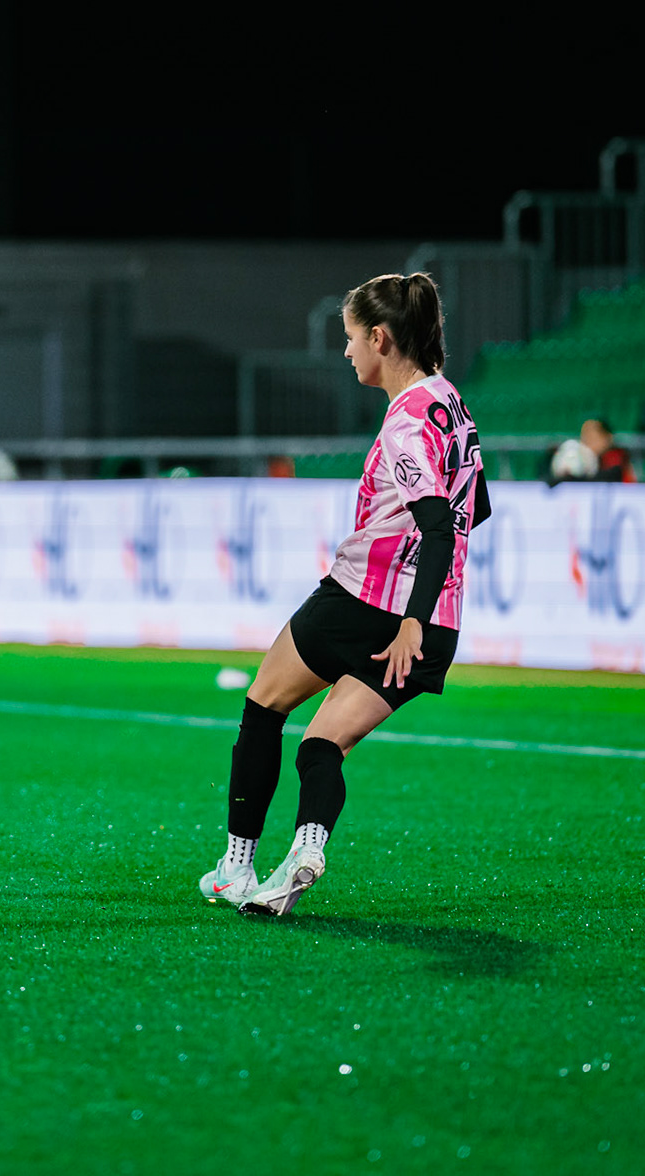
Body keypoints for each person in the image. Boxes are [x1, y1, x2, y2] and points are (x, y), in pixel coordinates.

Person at [199, 272, 490, 915]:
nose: (347, 351)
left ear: (381, 339)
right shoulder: (453, 406)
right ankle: (303, 851)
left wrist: (406, 618)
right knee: (321, 745)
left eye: (352, 338)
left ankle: (236, 867)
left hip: (368, 602)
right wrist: (423, 618)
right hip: (440, 621)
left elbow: (439, 524)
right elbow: (478, 508)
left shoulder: (407, 424)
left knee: (263, 706)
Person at [580, 417, 636, 483]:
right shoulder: (582, 457)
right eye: (585, 438)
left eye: (592, 438)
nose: (588, 443)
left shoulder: (616, 456)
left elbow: (609, 477)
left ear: (608, 437)